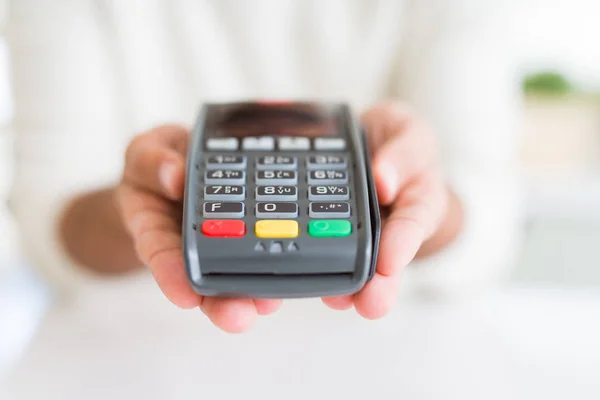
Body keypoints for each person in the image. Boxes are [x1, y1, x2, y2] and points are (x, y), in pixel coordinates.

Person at [2, 0, 522, 336]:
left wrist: (413, 200)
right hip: (129, 348)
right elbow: (47, 216)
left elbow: (490, 217)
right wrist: (138, 205)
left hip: (411, 351)